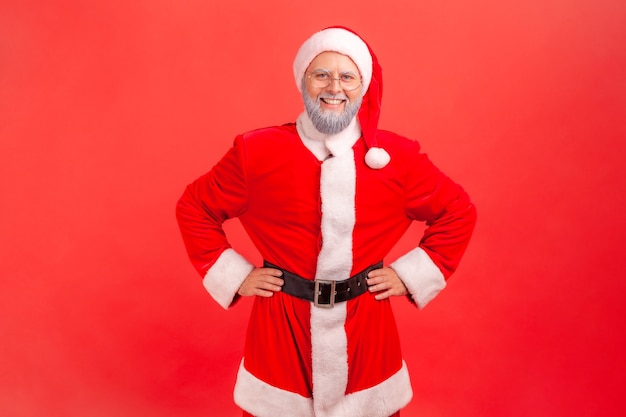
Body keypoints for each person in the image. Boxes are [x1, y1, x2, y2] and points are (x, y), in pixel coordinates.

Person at [176, 26, 476, 417]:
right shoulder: (256, 152)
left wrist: (409, 275)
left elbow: (457, 211)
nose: (334, 86)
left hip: (367, 328)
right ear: (303, 80)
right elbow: (194, 207)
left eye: (347, 76)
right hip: (281, 326)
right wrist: (236, 274)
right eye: (321, 74)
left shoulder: (398, 157)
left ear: (363, 87)